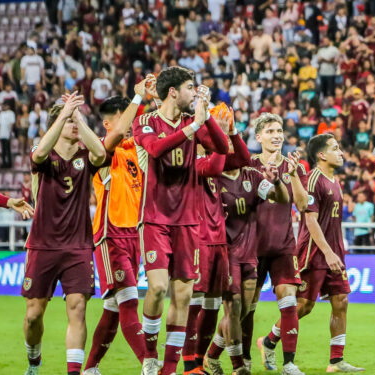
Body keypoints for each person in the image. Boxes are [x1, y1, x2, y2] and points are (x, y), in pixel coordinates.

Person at [132, 66, 230, 375]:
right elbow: (156, 149)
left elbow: (222, 148)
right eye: (191, 88)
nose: (195, 92)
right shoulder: (146, 121)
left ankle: (169, 368)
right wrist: (192, 128)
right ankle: (150, 355)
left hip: (188, 221)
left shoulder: (193, 121)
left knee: (184, 294)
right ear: (173, 91)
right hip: (155, 218)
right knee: (159, 288)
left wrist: (206, 117)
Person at [22, 92, 107, 375]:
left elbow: (101, 153)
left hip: (78, 245)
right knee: (33, 316)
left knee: (77, 308)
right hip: (43, 244)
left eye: (75, 119)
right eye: (68, 120)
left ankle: (73, 372)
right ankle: (34, 363)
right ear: (56, 123)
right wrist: (62, 115)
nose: (73, 124)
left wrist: (78, 116)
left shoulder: (86, 155)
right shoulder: (43, 153)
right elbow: (39, 154)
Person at [265, 134, 365, 372]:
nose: (340, 152)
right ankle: (268, 341)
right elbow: (310, 220)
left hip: (334, 251)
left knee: (341, 300)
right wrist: (329, 253)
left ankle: (336, 361)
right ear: (321, 155)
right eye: (335, 148)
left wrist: (336, 252)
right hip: (314, 252)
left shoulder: (335, 180)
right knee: (303, 306)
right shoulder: (313, 180)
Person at [204, 121, 290, 375]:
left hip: (249, 253)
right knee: (234, 307)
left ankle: (211, 355)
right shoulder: (212, 178)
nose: (232, 147)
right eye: (228, 144)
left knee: (243, 310)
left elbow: (280, 199)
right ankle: (239, 365)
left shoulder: (252, 175)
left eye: (234, 143)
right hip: (225, 253)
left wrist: (275, 184)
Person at [84, 77, 153, 374]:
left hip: (134, 233)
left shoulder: (135, 149)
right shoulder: (101, 149)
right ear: (110, 123)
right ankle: (150, 363)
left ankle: (90, 368)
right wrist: (138, 100)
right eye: (129, 117)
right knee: (128, 302)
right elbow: (124, 129)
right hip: (110, 233)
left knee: (113, 308)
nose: (134, 123)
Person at [183, 106, 252, 375]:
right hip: (199, 239)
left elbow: (244, 158)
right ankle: (188, 362)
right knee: (196, 302)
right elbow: (214, 164)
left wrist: (232, 131)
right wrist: (220, 133)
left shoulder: (218, 159)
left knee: (212, 304)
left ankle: (200, 360)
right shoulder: (194, 162)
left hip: (219, 241)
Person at [250, 113, 309, 375]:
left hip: (284, 246)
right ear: (258, 136)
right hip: (251, 247)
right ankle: (217, 352)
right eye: (271, 131)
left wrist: (294, 174)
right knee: (243, 307)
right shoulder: (248, 165)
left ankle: (289, 363)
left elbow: (303, 205)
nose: (277, 135)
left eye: (280, 130)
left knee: (289, 300)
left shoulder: (293, 166)